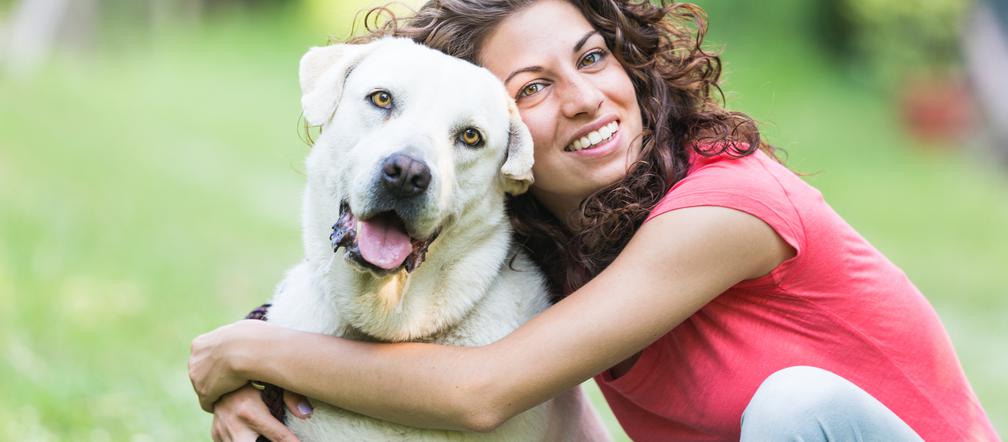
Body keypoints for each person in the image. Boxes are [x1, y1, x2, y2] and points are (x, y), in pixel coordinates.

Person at [188, 0, 1000, 441]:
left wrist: (246, 350)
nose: (581, 98)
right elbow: (545, 418)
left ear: (627, 56)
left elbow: (481, 392)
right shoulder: (569, 243)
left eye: (590, 57)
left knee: (794, 405)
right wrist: (262, 384)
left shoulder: (726, 208)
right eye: (532, 88)